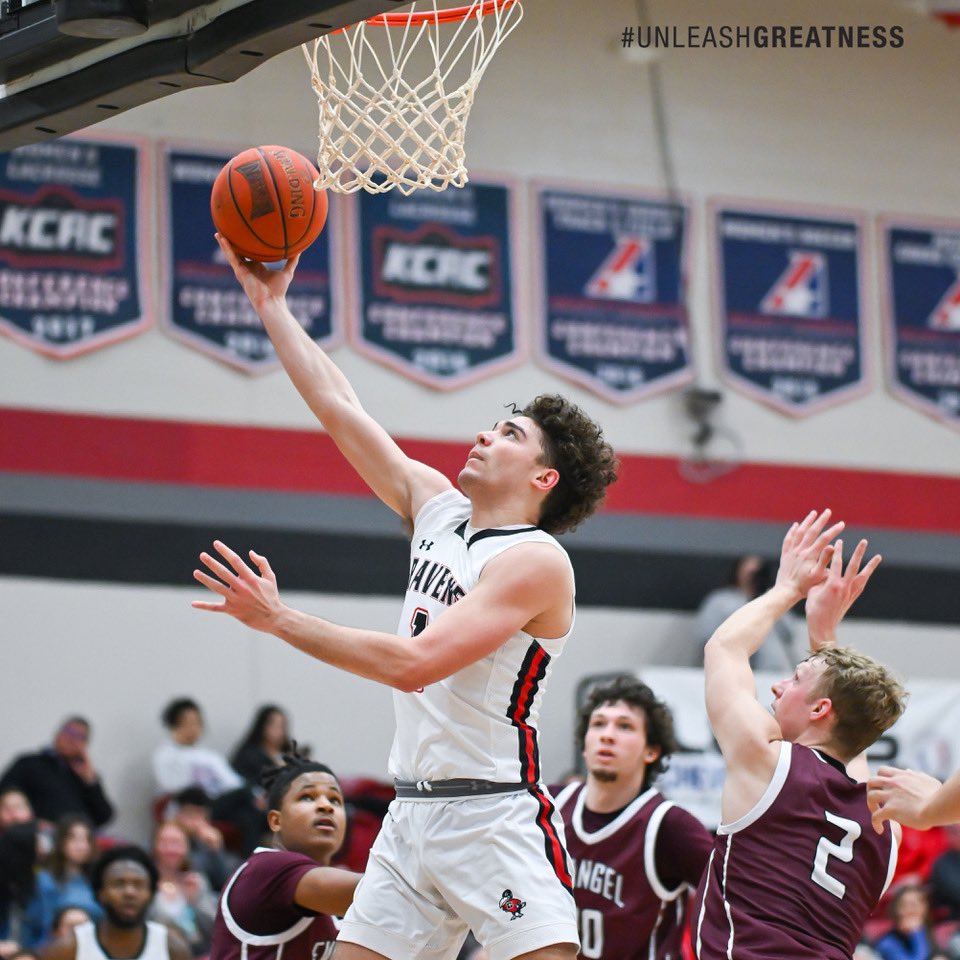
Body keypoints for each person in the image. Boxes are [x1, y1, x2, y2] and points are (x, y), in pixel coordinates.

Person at [192, 236, 619, 960]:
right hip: (410, 814)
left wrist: (278, 618)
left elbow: (414, 664)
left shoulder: (536, 562)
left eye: (510, 433)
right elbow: (339, 406)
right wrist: (271, 307)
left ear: (543, 480)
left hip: (492, 816)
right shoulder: (437, 508)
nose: (485, 433)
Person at [691, 510, 908, 960]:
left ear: (820, 709)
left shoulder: (768, 763)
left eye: (793, 678)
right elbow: (854, 744)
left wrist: (787, 587)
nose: (777, 686)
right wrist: (823, 637)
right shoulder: (886, 825)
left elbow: (725, 648)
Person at [552, 675, 713, 960]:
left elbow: (736, 898)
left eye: (624, 726)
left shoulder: (669, 826)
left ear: (651, 751)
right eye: (599, 723)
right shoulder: (549, 806)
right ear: (584, 742)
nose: (608, 734)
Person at [208, 748, 360, 960]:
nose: (326, 806)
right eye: (307, 797)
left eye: (335, 800)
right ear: (275, 821)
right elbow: (382, 896)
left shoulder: (329, 914)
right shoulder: (267, 868)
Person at [152, 698, 265, 855]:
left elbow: (232, 781)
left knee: (248, 815)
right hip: (189, 805)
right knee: (245, 795)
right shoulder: (165, 755)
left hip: (217, 804)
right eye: (188, 722)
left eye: (197, 722)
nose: (193, 728)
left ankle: (250, 861)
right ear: (174, 724)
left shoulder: (208, 756)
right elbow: (171, 787)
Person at [40, 845, 191, 960]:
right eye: (119, 884)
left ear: (151, 894)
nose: (129, 892)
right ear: (101, 893)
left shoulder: (172, 948)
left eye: (138, 885)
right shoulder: (68, 949)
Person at [0, 719, 114, 829]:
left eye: (79, 737)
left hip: (79, 839)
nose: (71, 738)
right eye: (68, 732)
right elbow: (5, 793)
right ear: (57, 733)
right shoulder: (29, 763)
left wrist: (91, 781)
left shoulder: (86, 778)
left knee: (124, 847)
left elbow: (104, 817)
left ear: (85, 745)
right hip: (38, 834)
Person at [694, 554, 797, 671]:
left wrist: (770, 599)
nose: (751, 576)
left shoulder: (774, 599)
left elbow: (789, 633)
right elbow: (705, 635)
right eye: (748, 571)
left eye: (756, 573)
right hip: (731, 668)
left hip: (770, 671)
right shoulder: (720, 601)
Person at [23, 816, 101, 948]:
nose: (81, 846)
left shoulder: (99, 880)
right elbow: (35, 924)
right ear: (61, 842)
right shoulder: (45, 880)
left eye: (86, 839)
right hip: (54, 947)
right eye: (74, 839)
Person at [149, 822, 217, 956]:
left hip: (194, 952)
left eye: (177, 843)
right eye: (164, 842)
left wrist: (194, 901)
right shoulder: (146, 883)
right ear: (154, 846)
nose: (171, 849)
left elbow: (214, 928)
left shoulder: (197, 881)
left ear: (187, 848)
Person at [166, 787, 240, 892]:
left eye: (199, 815)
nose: (194, 821)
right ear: (178, 814)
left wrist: (216, 849)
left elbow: (225, 883)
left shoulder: (206, 843)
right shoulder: (167, 837)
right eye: (190, 814)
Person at [230, 706, 291, 784]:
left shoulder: (289, 755)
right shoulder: (249, 756)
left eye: (282, 726)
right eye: (275, 726)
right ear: (263, 726)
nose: (280, 732)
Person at [872, 884, 932, 960]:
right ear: (895, 910)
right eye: (905, 905)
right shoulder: (887, 942)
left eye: (915, 905)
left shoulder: (929, 933)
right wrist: (917, 933)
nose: (911, 911)